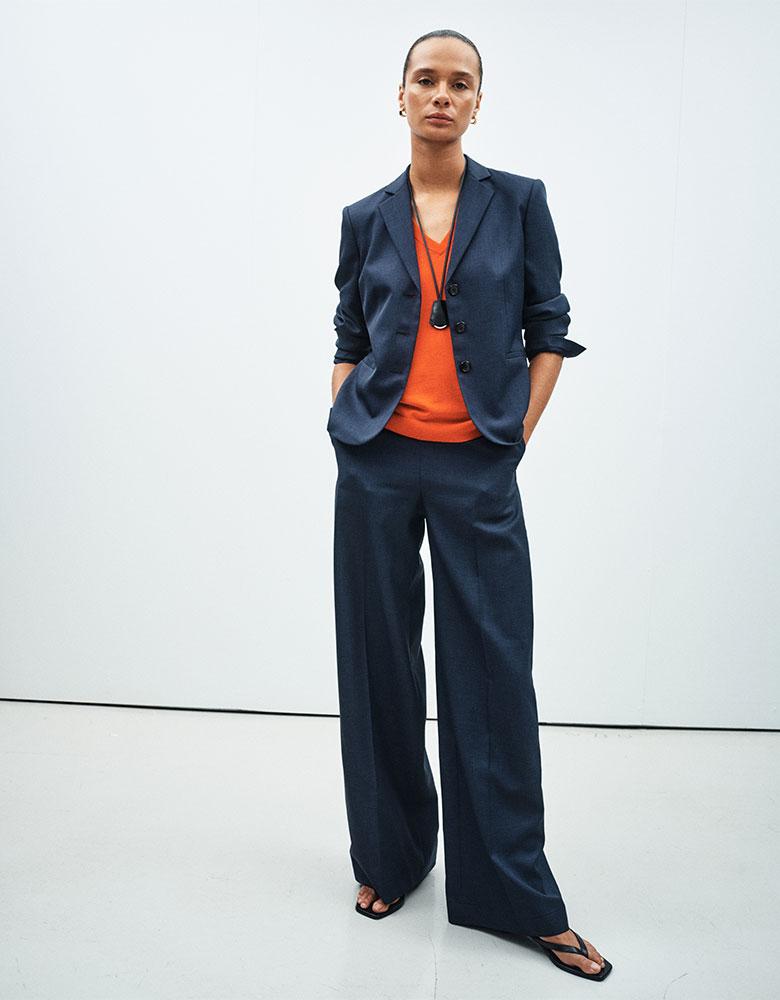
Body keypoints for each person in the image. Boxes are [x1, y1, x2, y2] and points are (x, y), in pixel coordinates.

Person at [326, 29, 612, 983]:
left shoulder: (518, 202)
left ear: (478, 103)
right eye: (426, 79)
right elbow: (350, 330)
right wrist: (346, 419)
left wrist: (514, 433)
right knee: (378, 663)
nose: (441, 94)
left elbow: (549, 326)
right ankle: (390, 859)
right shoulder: (366, 216)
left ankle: (512, 895)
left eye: (460, 83)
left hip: (477, 463)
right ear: (401, 95)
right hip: (377, 461)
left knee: (491, 675)